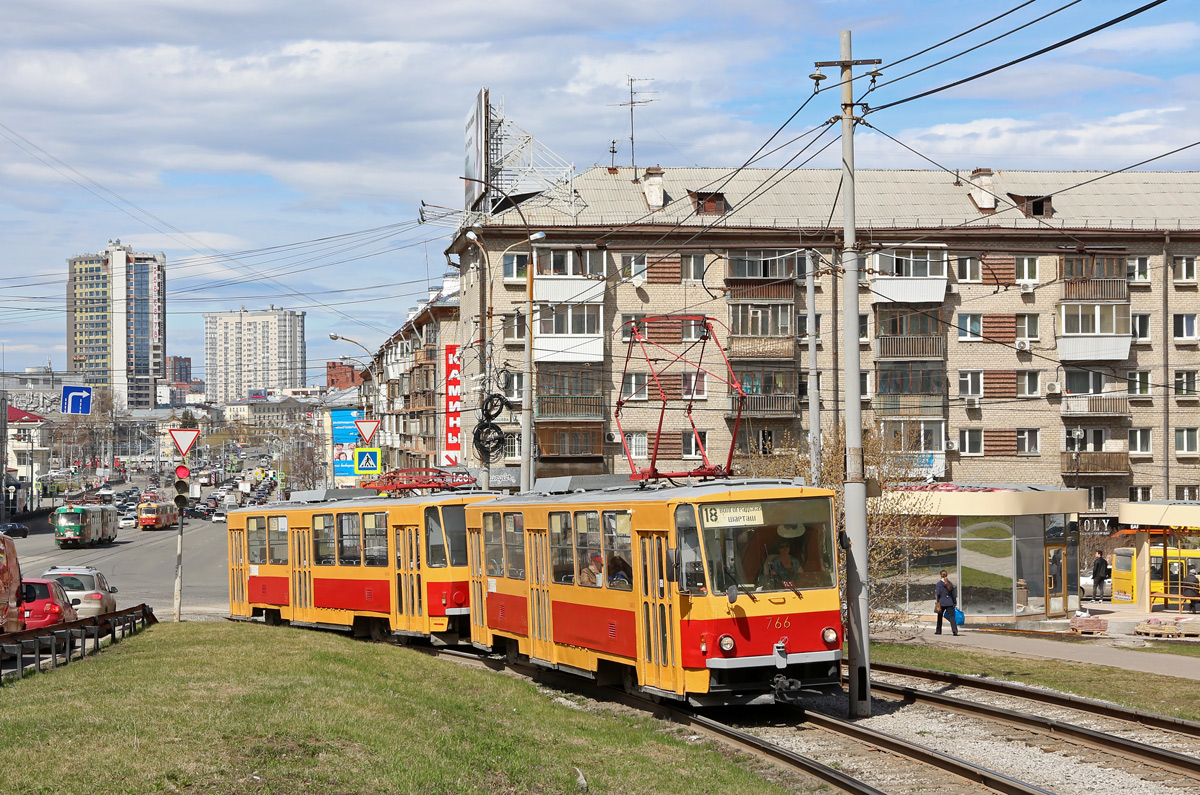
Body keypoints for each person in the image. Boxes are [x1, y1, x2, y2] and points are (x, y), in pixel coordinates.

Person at [934, 569, 958, 636]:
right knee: (951, 617)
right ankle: (954, 630)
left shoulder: (939, 584)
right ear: (946, 575)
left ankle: (938, 631)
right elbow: (953, 594)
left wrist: (937, 600)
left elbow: (938, 593)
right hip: (949, 602)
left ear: (941, 575)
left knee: (940, 617)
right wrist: (954, 602)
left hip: (942, 602)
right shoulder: (950, 583)